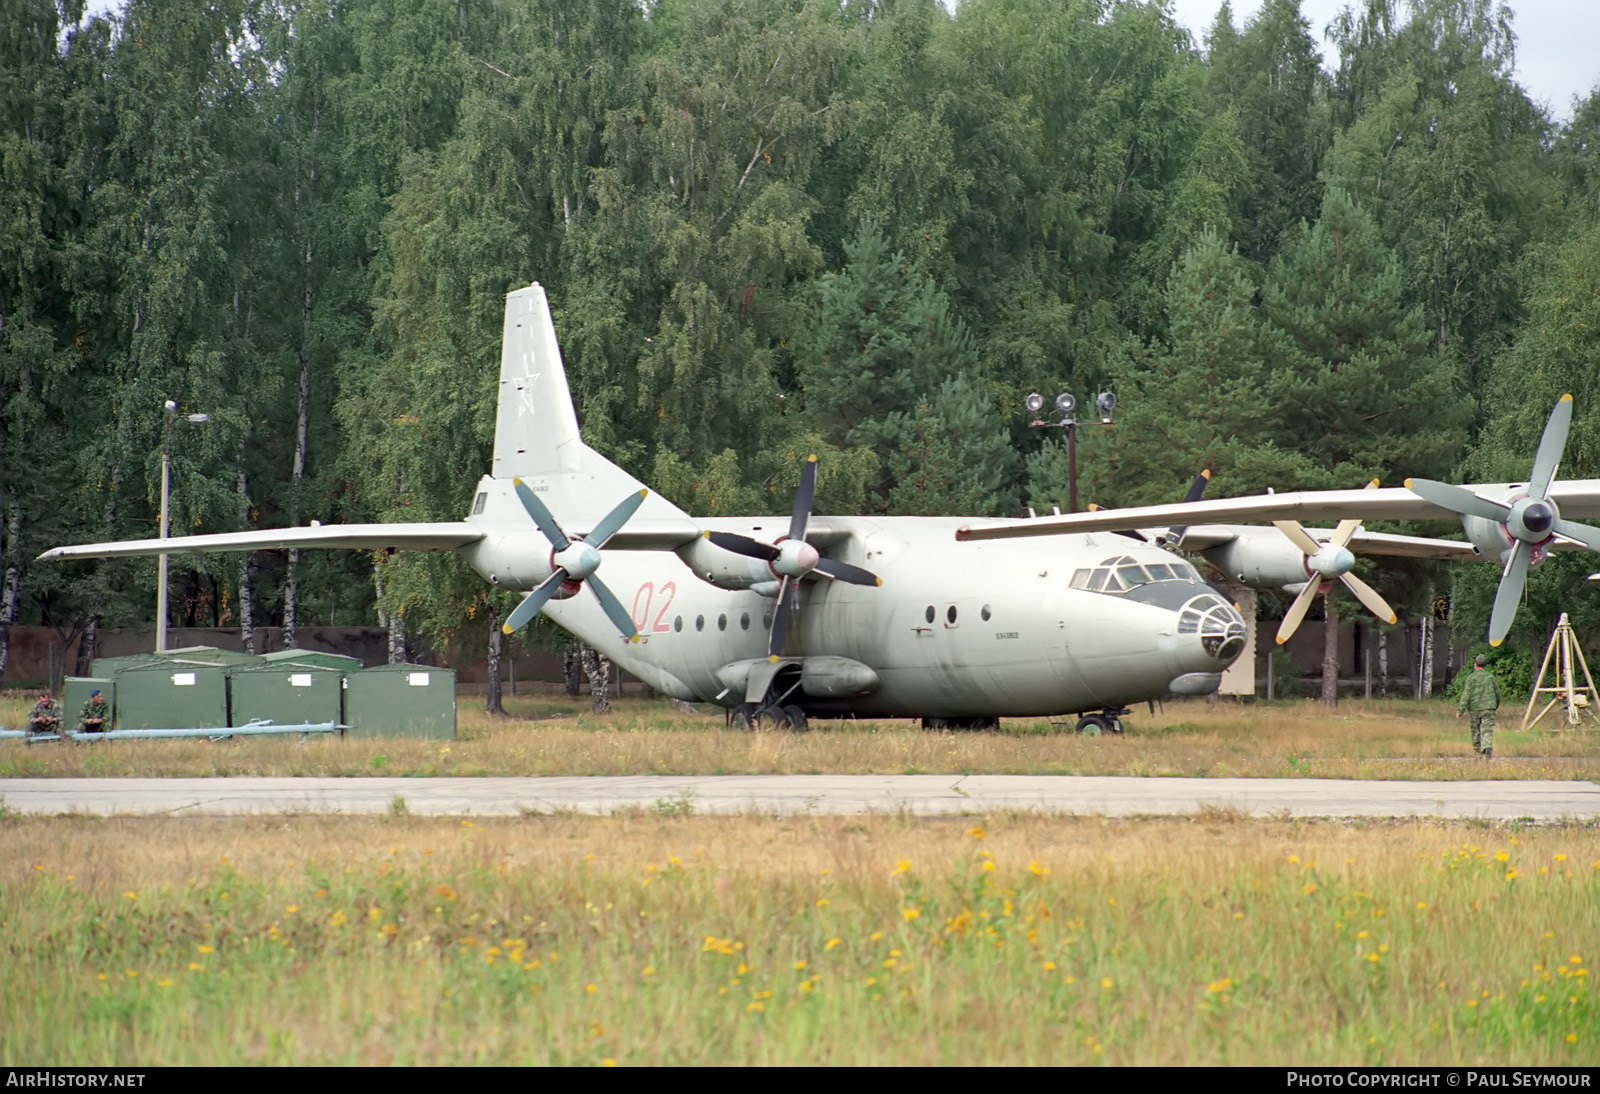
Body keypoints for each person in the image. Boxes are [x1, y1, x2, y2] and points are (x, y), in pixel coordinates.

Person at [1456, 654, 1502, 759]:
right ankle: (1487, 747)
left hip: (1475, 709)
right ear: (1485, 665)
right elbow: (1497, 693)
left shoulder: (1471, 678)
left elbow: (1466, 695)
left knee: (1475, 730)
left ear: (1475, 664)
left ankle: (1477, 753)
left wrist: (1460, 711)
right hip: (1489, 708)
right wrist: (1495, 705)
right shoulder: (1490, 677)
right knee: (1487, 730)